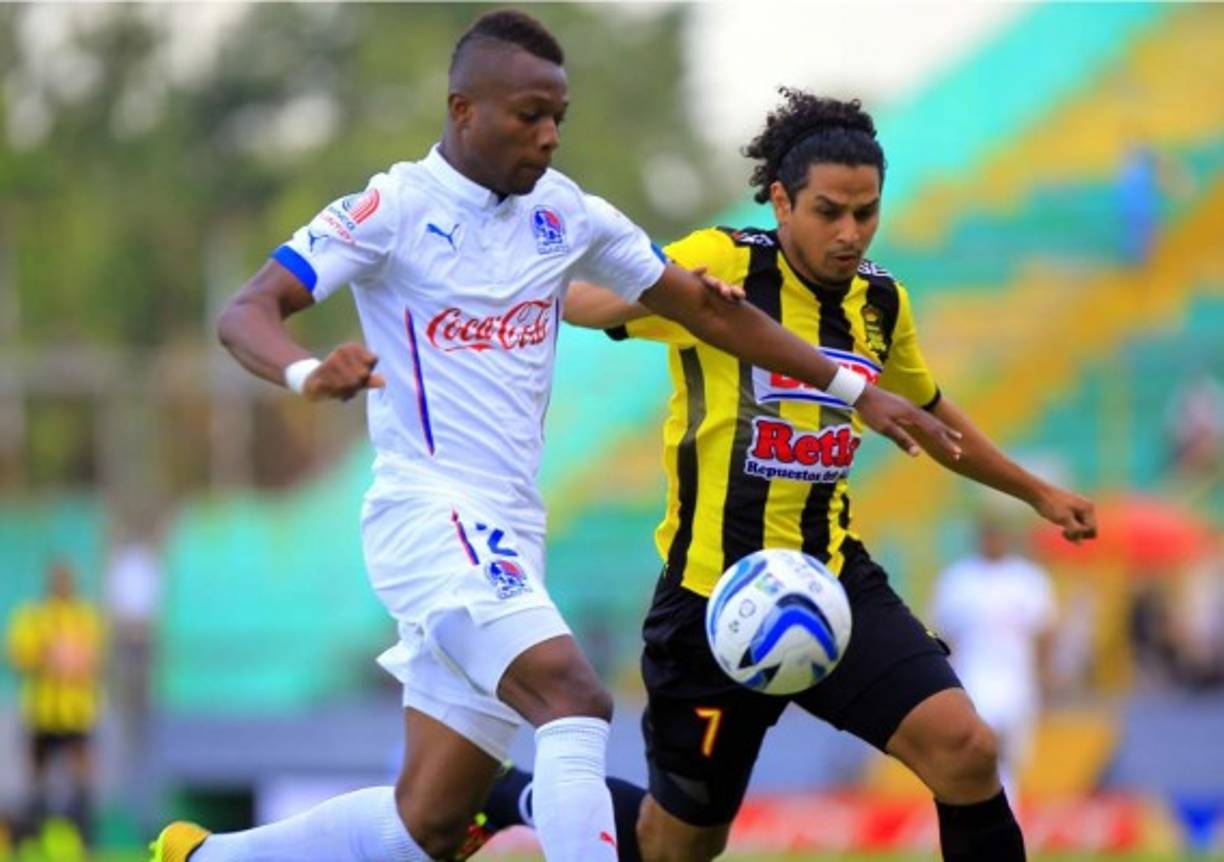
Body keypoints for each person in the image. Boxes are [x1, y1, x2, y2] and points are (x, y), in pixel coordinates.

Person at [150, 14, 959, 862]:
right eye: (528, 115)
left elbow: (711, 311)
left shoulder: (566, 216)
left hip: (508, 528)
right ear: (464, 110)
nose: (549, 136)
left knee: (425, 822)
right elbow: (247, 310)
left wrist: (849, 387)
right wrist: (306, 374)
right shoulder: (393, 207)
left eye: (558, 118)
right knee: (573, 697)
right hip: (431, 515)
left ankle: (203, 858)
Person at [512, 90, 1095, 862]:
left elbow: (929, 413)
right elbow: (584, 302)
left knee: (966, 750)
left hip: (834, 586)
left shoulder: (881, 302)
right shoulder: (722, 263)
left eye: (867, 212)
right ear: (782, 200)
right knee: (677, 844)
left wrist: (1037, 492)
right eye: (829, 211)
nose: (850, 233)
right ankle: (514, 795)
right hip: (707, 607)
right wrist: (682, 299)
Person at [931, 517, 1057, 798]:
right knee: (978, 751)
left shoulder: (1028, 580)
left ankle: (1007, 812)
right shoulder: (957, 579)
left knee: (1013, 755)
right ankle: (987, 817)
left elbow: (1044, 632)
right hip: (972, 678)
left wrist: (1045, 676)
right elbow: (943, 636)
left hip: (1017, 680)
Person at [5, 561, 105, 850]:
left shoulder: (86, 617)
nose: (63, 584)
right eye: (58, 579)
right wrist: (49, 655)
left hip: (77, 713)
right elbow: (18, 655)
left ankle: (85, 840)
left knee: (82, 776)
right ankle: (30, 840)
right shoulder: (34, 616)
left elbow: (93, 659)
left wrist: (71, 659)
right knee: (37, 778)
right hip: (42, 713)